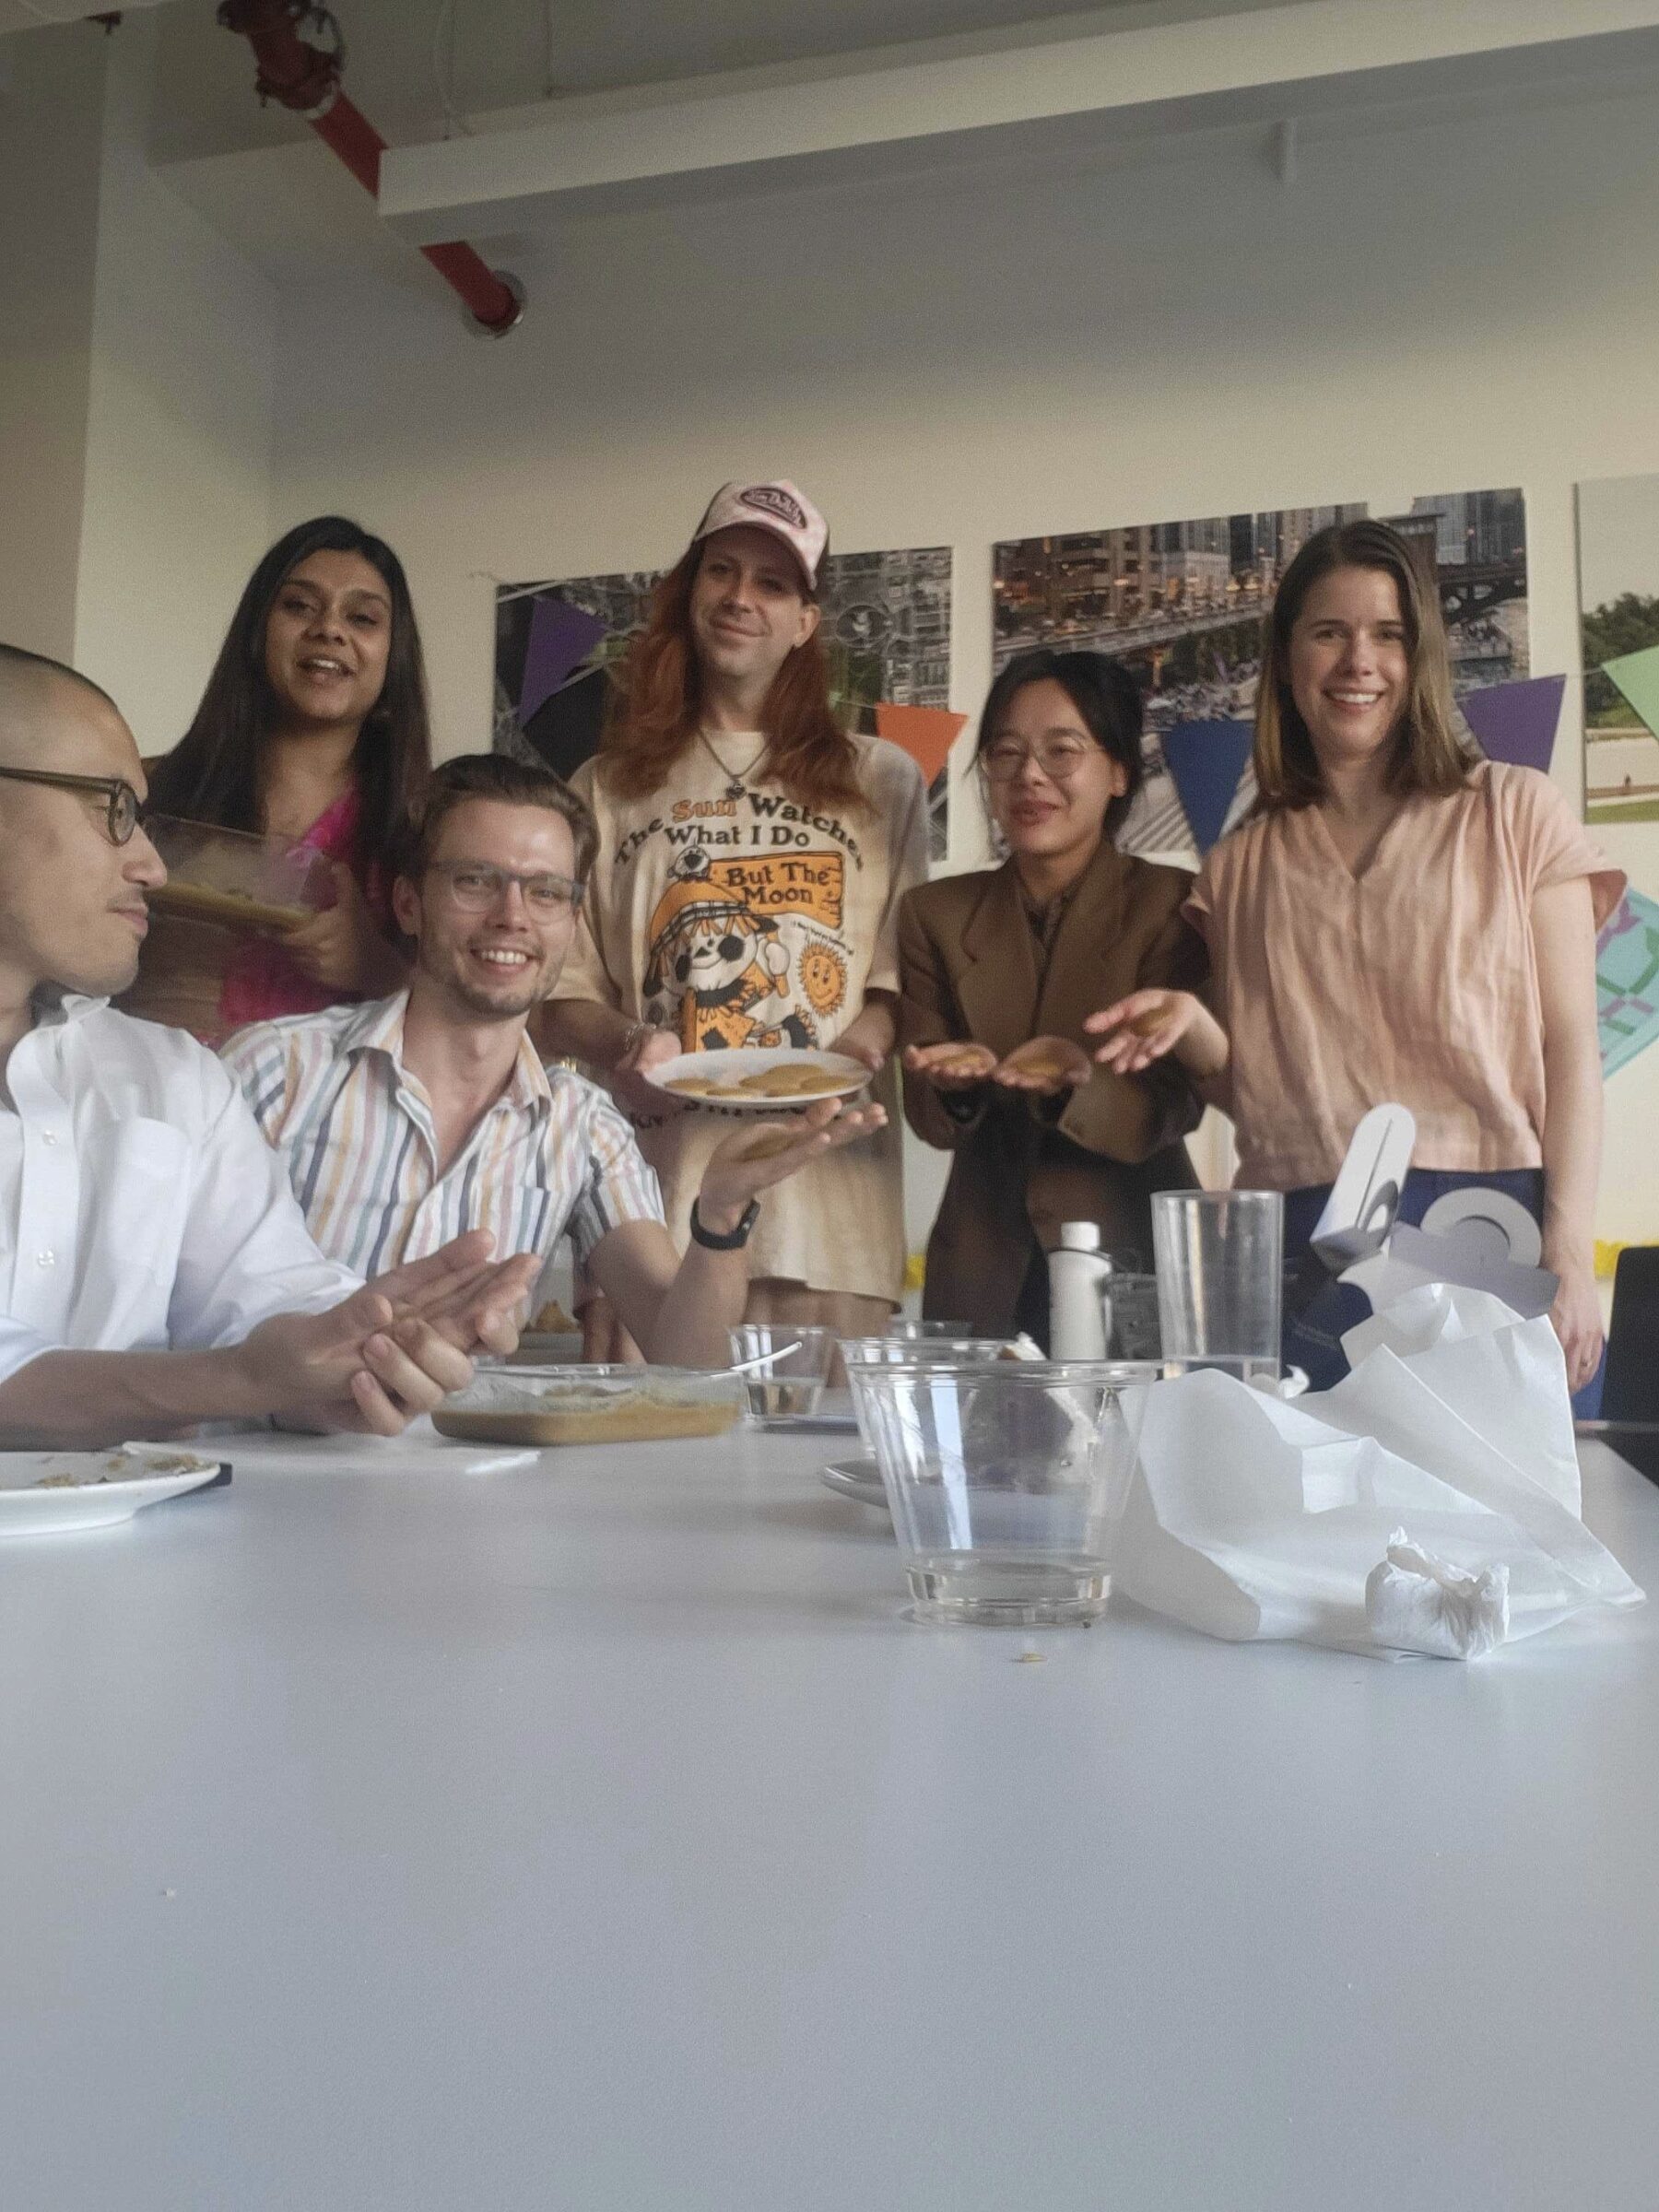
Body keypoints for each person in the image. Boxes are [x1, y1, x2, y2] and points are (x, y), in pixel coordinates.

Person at [1088, 519, 1623, 1391]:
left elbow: (1572, 1050)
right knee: (1312, 1512)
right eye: (1328, 632)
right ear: (1288, 654)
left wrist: (1568, 1246)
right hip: (1304, 1242)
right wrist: (1191, 1026)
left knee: (1495, 1514)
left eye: (1387, 635)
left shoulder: (1515, 812)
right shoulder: (1235, 868)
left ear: (1421, 657)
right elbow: (1260, 1098)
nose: (1358, 662)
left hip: (1489, 1221)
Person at [0, 644, 536, 1447]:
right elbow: (238, 1369)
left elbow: (269, 1307)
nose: (150, 863)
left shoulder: (172, 1078)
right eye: (114, 808)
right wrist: (238, 1380)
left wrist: (362, 1350)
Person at [222, 753, 886, 1369]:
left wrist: (720, 1217)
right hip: (263, 1471)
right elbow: (171, 1317)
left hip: (471, 1483)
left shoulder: (585, 1127)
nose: (512, 917)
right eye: (476, 881)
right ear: (408, 904)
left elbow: (687, 1356)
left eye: (545, 892)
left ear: (571, 922)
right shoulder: (272, 1075)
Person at [538, 480, 927, 1347]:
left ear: (805, 622)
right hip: (650, 1218)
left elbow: (905, 978)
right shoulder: (604, 786)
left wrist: (857, 1050)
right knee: (644, 1477)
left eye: (774, 583)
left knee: (814, 1478)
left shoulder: (885, 779)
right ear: (690, 592)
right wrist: (628, 1045)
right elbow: (560, 999)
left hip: (834, 1215)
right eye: (723, 570)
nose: (741, 598)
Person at [898, 650, 1203, 1342]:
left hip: (1135, 1262)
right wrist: (956, 1086)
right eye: (1005, 754)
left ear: (1120, 770)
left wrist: (1076, 1082)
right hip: (982, 1268)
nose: (1029, 776)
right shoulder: (933, 914)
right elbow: (928, 1116)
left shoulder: (1172, 905)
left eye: (1062, 751)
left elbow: (1177, 1101)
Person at [122, 515, 429, 1043]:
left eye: (362, 618)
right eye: (299, 606)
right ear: (256, 635)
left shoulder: (419, 829)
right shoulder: (143, 792)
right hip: (139, 1107)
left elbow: (476, 1018)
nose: (330, 629)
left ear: (393, 659)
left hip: (323, 1120)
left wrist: (378, 970)